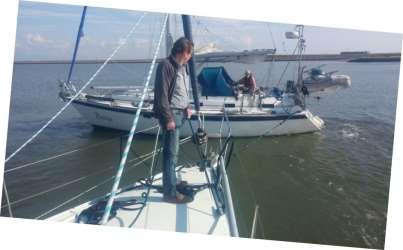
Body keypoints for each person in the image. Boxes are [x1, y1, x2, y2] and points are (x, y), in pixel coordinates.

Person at [153, 37, 194, 204]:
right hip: (171, 116)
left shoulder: (182, 68)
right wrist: (168, 118)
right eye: (190, 53)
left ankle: (170, 181)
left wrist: (187, 106)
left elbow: (181, 91)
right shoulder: (166, 66)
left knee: (173, 152)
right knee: (170, 154)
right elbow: (161, 94)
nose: (190, 56)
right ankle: (170, 192)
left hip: (180, 114)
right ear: (184, 52)